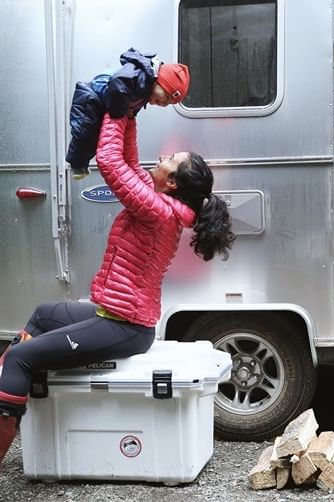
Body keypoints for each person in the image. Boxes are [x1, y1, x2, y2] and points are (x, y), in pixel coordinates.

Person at [0, 113, 235, 465]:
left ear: (172, 182)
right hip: (116, 316)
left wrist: (112, 112)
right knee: (43, 315)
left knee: (21, 357)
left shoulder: (158, 211)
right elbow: (129, 161)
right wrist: (130, 112)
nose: (162, 157)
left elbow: (111, 164)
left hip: (125, 327)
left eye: (170, 159)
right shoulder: (161, 202)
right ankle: (7, 389)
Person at [66, 47, 190, 179]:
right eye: (167, 97)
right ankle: (77, 164)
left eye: (169, 103)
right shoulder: (141, 77)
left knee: (95, 137)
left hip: (101, 102)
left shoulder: (147, 89)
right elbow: (117, 85)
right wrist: (118, 113)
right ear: (160, 82)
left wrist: (131, 113)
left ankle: (82, 164)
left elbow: (132, 101)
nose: (164, 103)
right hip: (91, 97)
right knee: (84, 133)